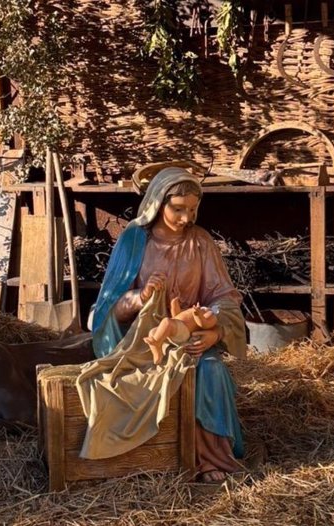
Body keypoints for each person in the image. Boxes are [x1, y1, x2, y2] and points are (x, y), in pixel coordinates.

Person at [85, 167, 246, 483]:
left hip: (189, 339)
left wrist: (213, 333)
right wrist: (141, 297)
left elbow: (224, 297)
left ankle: (210, 460)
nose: (187, 218)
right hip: (142, 343)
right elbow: (110, 307)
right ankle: (144, 457)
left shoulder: (200, 242)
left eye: (193, 209)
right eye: (178, 209)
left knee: (212, 371)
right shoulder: (134, 241)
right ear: (158, 203)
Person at [144, 297, 219, 365]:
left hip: (184, 332)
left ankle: (156, 343)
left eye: (205, 309)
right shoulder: (194, 310)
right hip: (177, 328)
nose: (203, 308)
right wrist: (174, 305)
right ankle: (158, 353)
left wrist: (198, 314)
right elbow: (176, 316)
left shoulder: (210, 315)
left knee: (166, 322)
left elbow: (204, 324)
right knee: (153, 332)